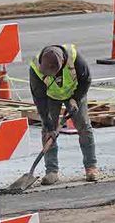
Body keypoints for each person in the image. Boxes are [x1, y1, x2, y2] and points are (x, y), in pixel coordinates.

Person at [29, 44, 98, 185]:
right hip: (50, 97)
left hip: (74, 93)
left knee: (84, 127)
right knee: (47, 133)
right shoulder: (36, 68)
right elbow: (39, 99)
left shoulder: (74, 58)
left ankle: (91, 167)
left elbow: (86, 79)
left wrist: (76, 98)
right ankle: (51, 171)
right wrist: (49, 126)